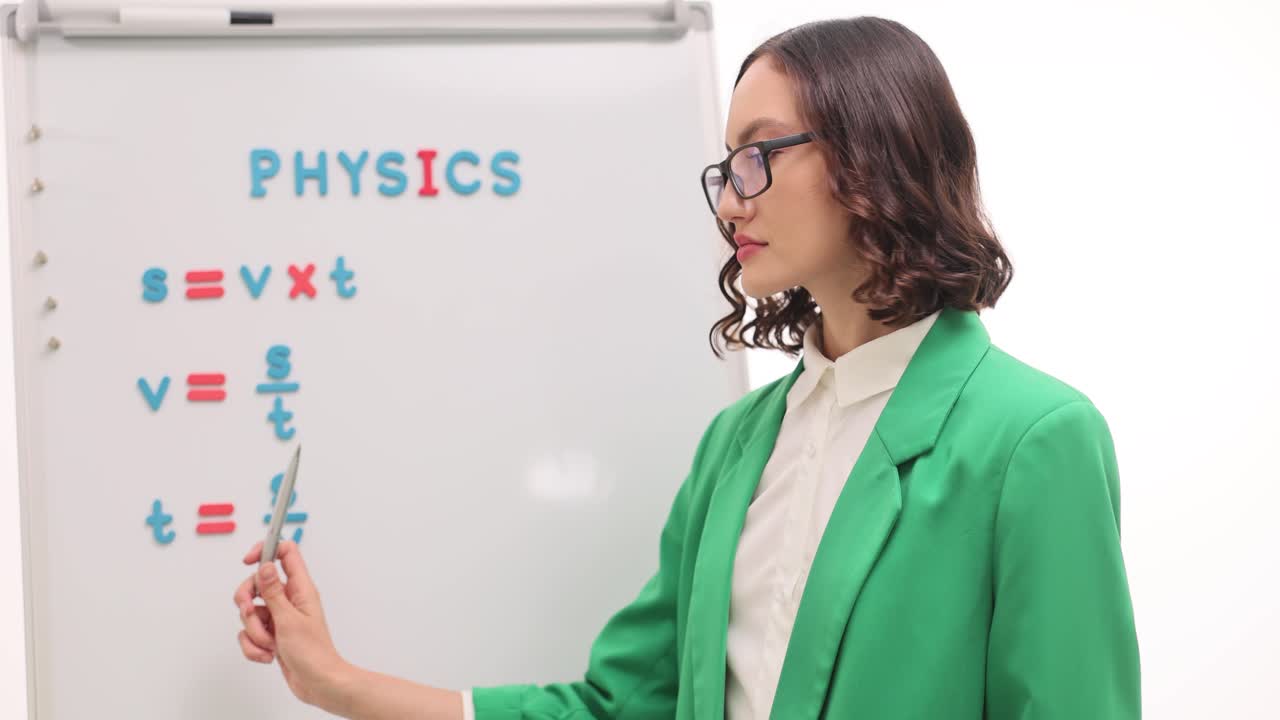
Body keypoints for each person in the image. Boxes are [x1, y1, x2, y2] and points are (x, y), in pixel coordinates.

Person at [233, 16, 1141, 719]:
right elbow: (617, 707)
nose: (730, 201)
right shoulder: (737, 447)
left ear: (876, 153)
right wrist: (335, 683)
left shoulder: (1032, 440)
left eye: (758, 155)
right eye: (725, 166)